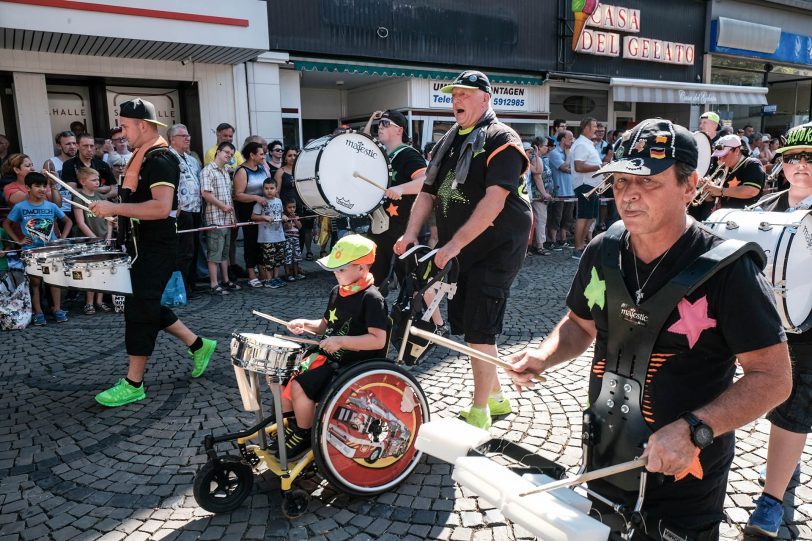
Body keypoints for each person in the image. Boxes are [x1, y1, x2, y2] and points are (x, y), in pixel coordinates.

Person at [506, 118, 792, 540]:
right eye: (620, 181)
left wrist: (696, 429)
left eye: (648, 182)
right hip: (605, 457)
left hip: (686, 482)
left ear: (689, 186)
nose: (629, 195)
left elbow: (774, 378)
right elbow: (580, 325)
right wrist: (545, 354)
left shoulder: (729, 272)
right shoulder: (604, 249)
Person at [394, 69, 531, 430]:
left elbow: (495, 200)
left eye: (465, 95)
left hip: (498, 246)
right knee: (473, 323)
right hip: (464, 247)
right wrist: (411, 234)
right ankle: (498, 397)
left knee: (479, 328)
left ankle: (480, 410)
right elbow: (428, 190)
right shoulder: (449, 140)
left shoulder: (503, 138)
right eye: (454, 95)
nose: (457, 101)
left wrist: (452, 244)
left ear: (486, 99)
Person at [88, 98, 217, 407]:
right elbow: (141, 204)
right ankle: (199, 345)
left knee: (138, 311)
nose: (121, 132)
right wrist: (115, 213)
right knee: (144, 305)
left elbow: (160, 207)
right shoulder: (141, 158)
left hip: (155, 248)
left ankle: (134, 383)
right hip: (140, 246)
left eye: (125, 126)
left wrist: (115, 207)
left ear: (142, 126)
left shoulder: (159, 159)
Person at [745, 121, 812, 538]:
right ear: (782, 165)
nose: (802, 166)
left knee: (795, 406)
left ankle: (771, 502)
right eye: (794, 159)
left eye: (811, 159)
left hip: (808, 329)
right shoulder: (762, 210)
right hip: (760, 324)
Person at [279, 234, 389, 458]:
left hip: (351, 363)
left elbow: (379, 340)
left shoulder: (372, 298)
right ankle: (291, 424)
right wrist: (304, 324)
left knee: (300, 386)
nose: (335, 274)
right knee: (284, 376)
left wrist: (341, 341)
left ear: (361, 268)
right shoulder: (337, 291)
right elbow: (324, 326)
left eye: (341, 269)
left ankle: (304, 433)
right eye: (335, 269)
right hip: (328, 355)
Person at [362, 109, 428, 288]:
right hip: (380, 227)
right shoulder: (381, 156)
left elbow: (425, 181)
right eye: (379, 124)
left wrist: (400, 188)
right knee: (373, 282)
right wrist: (371, 119)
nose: (380, 128)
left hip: (401, 231)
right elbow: (362, 144)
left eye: (385, 124)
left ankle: (425, 316)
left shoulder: (409, 154)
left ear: (399, 130)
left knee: (413, 285)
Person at [3, 172, 72, 325]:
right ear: (27, 188)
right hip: (31, 250)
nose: (42, 189)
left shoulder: (51, 206)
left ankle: (57, 309)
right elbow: (6, 224)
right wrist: (18, 240)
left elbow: (68, 221)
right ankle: (38, 311)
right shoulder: (20, 207)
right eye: (37, 186)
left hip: (51, 250)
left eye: (44, 185)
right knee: (35, 282)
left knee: (54, 281)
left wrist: (61, 239)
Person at [167, 124, 202, 298]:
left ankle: (191, 283)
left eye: (188, 135)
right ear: (172, 139)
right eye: (183, 136)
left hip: (195, 208)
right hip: (182, 211)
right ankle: (182, 287)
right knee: (183, 251)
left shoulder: (191, 159)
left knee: (193, 249)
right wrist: (175, 205)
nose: (188, 138)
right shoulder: (168, 157)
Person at [200, 142, 239, 295]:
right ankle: (214, 284)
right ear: (217, 152)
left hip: (227, 219)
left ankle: (226, 280)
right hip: (215, 218)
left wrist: (232, 216)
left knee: (224, 252)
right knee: (214, 253)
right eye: (226, 152)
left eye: (231, 154)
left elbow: (229, 197)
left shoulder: (225, 171)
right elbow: (206, 194)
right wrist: (222, 206)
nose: (229, 155)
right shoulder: (208, 171)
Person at [73, 167, 113, 315]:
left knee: (102, 271)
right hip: (89, 241)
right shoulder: (79, 198)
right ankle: (89, 303)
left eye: (98, 179)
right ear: (83, 182)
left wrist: (108, 236)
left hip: (104, 239)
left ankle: (99, 301)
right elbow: (81, 222)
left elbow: (110, 220)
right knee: (90, 271)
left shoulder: (102, 198)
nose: (98, 182)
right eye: (94, 180)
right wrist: (94, 238)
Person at [233, 141, 268, 287]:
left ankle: (262, 271)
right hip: (247, 210)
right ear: (252, 155)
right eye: (261, 154)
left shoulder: (262, 168)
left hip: (262, 209)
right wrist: (256, 198)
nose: (263, 156)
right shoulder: (242, 171)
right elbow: (238, 195)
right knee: (251, 242)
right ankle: (251, 273)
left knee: (261, 242)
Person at [704, 134, 765, 209]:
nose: (720, 159)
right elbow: (719, 190)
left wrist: (721, 191)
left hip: (746, 215)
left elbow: (752, 190)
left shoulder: (752, 164)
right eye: (719, 156)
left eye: (724, 155)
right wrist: (710, 186)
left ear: (736, 151)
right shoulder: (725, 167)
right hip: (726, 214)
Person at [571, 117, 602, 259]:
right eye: (594, 126)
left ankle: (581, 246)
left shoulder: (587, 144)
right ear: (586, 128)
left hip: (592, 185)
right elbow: (579, 166)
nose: (597, 129)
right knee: (584, 216)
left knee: (590, 216)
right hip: (585, 185)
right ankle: (577, 247)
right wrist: (599, 167)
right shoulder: (582, 144)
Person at [251, 177, 287, 288]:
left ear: (276, 189)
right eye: (266, 188)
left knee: (278, 258)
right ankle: (268, 279)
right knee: (268, 259)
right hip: (267, 237)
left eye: (272, 188)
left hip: (279, 235)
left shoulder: (279, 201)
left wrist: (284, 216)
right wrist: (264, 217)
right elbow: (253, 216)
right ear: (263, 189)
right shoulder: (261, 202)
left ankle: (276, 277)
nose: (269, 190)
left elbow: (281, 214)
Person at [61, 133, 117, 199]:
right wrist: (102, 189)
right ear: (77, 146)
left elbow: (114, 191)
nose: (89, 149)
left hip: (104, 205)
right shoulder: (69, 164)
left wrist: (101, 198)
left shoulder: (103, 164)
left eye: (92, 146)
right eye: (85, 146)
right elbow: (73, 191)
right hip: (80, 206)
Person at [547, 130, 575, 250]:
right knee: (556, 216)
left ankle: (563, 239)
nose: (572, 141)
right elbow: (564, 167)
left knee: (567, 217)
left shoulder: (571, 152)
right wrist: (568, 157)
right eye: (570, 138)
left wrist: (569, 166)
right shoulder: (554, 153)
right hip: (560, 190)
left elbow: (575, 168)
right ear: (563, 139)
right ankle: (552, 240)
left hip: (571, 190)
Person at [525, 139, 553, 256]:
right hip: (534, 195)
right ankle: (537, 246)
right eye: (546, 145)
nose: (548, 147)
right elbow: (538, 175)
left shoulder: (536, 159)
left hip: (533, 195)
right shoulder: (528, 160)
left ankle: (533, 245)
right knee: (539, 220)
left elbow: (538, 171)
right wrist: (544, 193)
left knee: (537, 221)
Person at [282, 199, 304, 281]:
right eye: (289, 207)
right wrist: (289, 220)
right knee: (288, 257)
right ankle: (288, 274)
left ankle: (296, 273)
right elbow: (287, 227)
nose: (292, 209)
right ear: (285, 208)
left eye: (293, 207)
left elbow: (300, 226)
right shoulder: (284, 217)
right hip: (288, 240)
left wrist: (295, 219)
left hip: (296, 239)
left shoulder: (296, 216)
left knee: (296, 257)